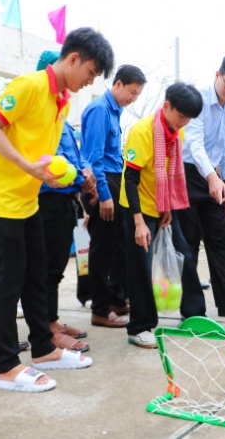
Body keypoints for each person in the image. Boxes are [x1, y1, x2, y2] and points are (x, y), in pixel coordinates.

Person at [0, 27, 114, 392]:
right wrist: (27, 166)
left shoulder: (61, 100)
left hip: (27, 200)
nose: (90, 81)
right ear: (73, 59)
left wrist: (50, 175)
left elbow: (43, 155)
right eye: (91, 72)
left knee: (37, 276)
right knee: (8, 281)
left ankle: (44, 349)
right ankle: (6, 366)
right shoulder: (29, 86)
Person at [120, 82, 205, 348]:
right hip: (137, 209)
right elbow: (130, 178)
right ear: (166, 106)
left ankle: (193, 314)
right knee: (141, 268)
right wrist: (138, 222)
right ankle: (139, 327)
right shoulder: (142, 132)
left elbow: (167, 174)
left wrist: (166, 207)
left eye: (188, 119)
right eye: (181, 116)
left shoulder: (175, 134)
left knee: (185, 255)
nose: (184, 123)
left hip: (161, 206)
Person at [178, 53, 225, 318]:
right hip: (186, 173)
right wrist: (213, 178)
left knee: (219, 238)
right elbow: (194, 144)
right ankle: (192, 310)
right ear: (217, 75)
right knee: (188, 242)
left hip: (214, 176)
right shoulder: (197, 99)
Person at [36, 51, 97, 353]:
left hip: (65, 201)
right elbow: (51, 160)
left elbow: (76, 154)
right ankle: (46, 329)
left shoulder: (64, 116)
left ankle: (53, 320)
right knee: (46, 267)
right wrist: (78, 178)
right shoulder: (43, 115)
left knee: (58, 266)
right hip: (46, 200)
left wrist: (86, 172)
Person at [80, 64, 147, 328]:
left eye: (138, 95)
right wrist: (104, 195)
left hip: (114, 180)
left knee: (119, 246)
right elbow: (94, 157)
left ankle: (117, 300)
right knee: (102, 250)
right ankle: (99, 309)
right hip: (102, 183)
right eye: (132, 92)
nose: (133, 99)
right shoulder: (99, 109)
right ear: (118, 84)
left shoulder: (115, 110)